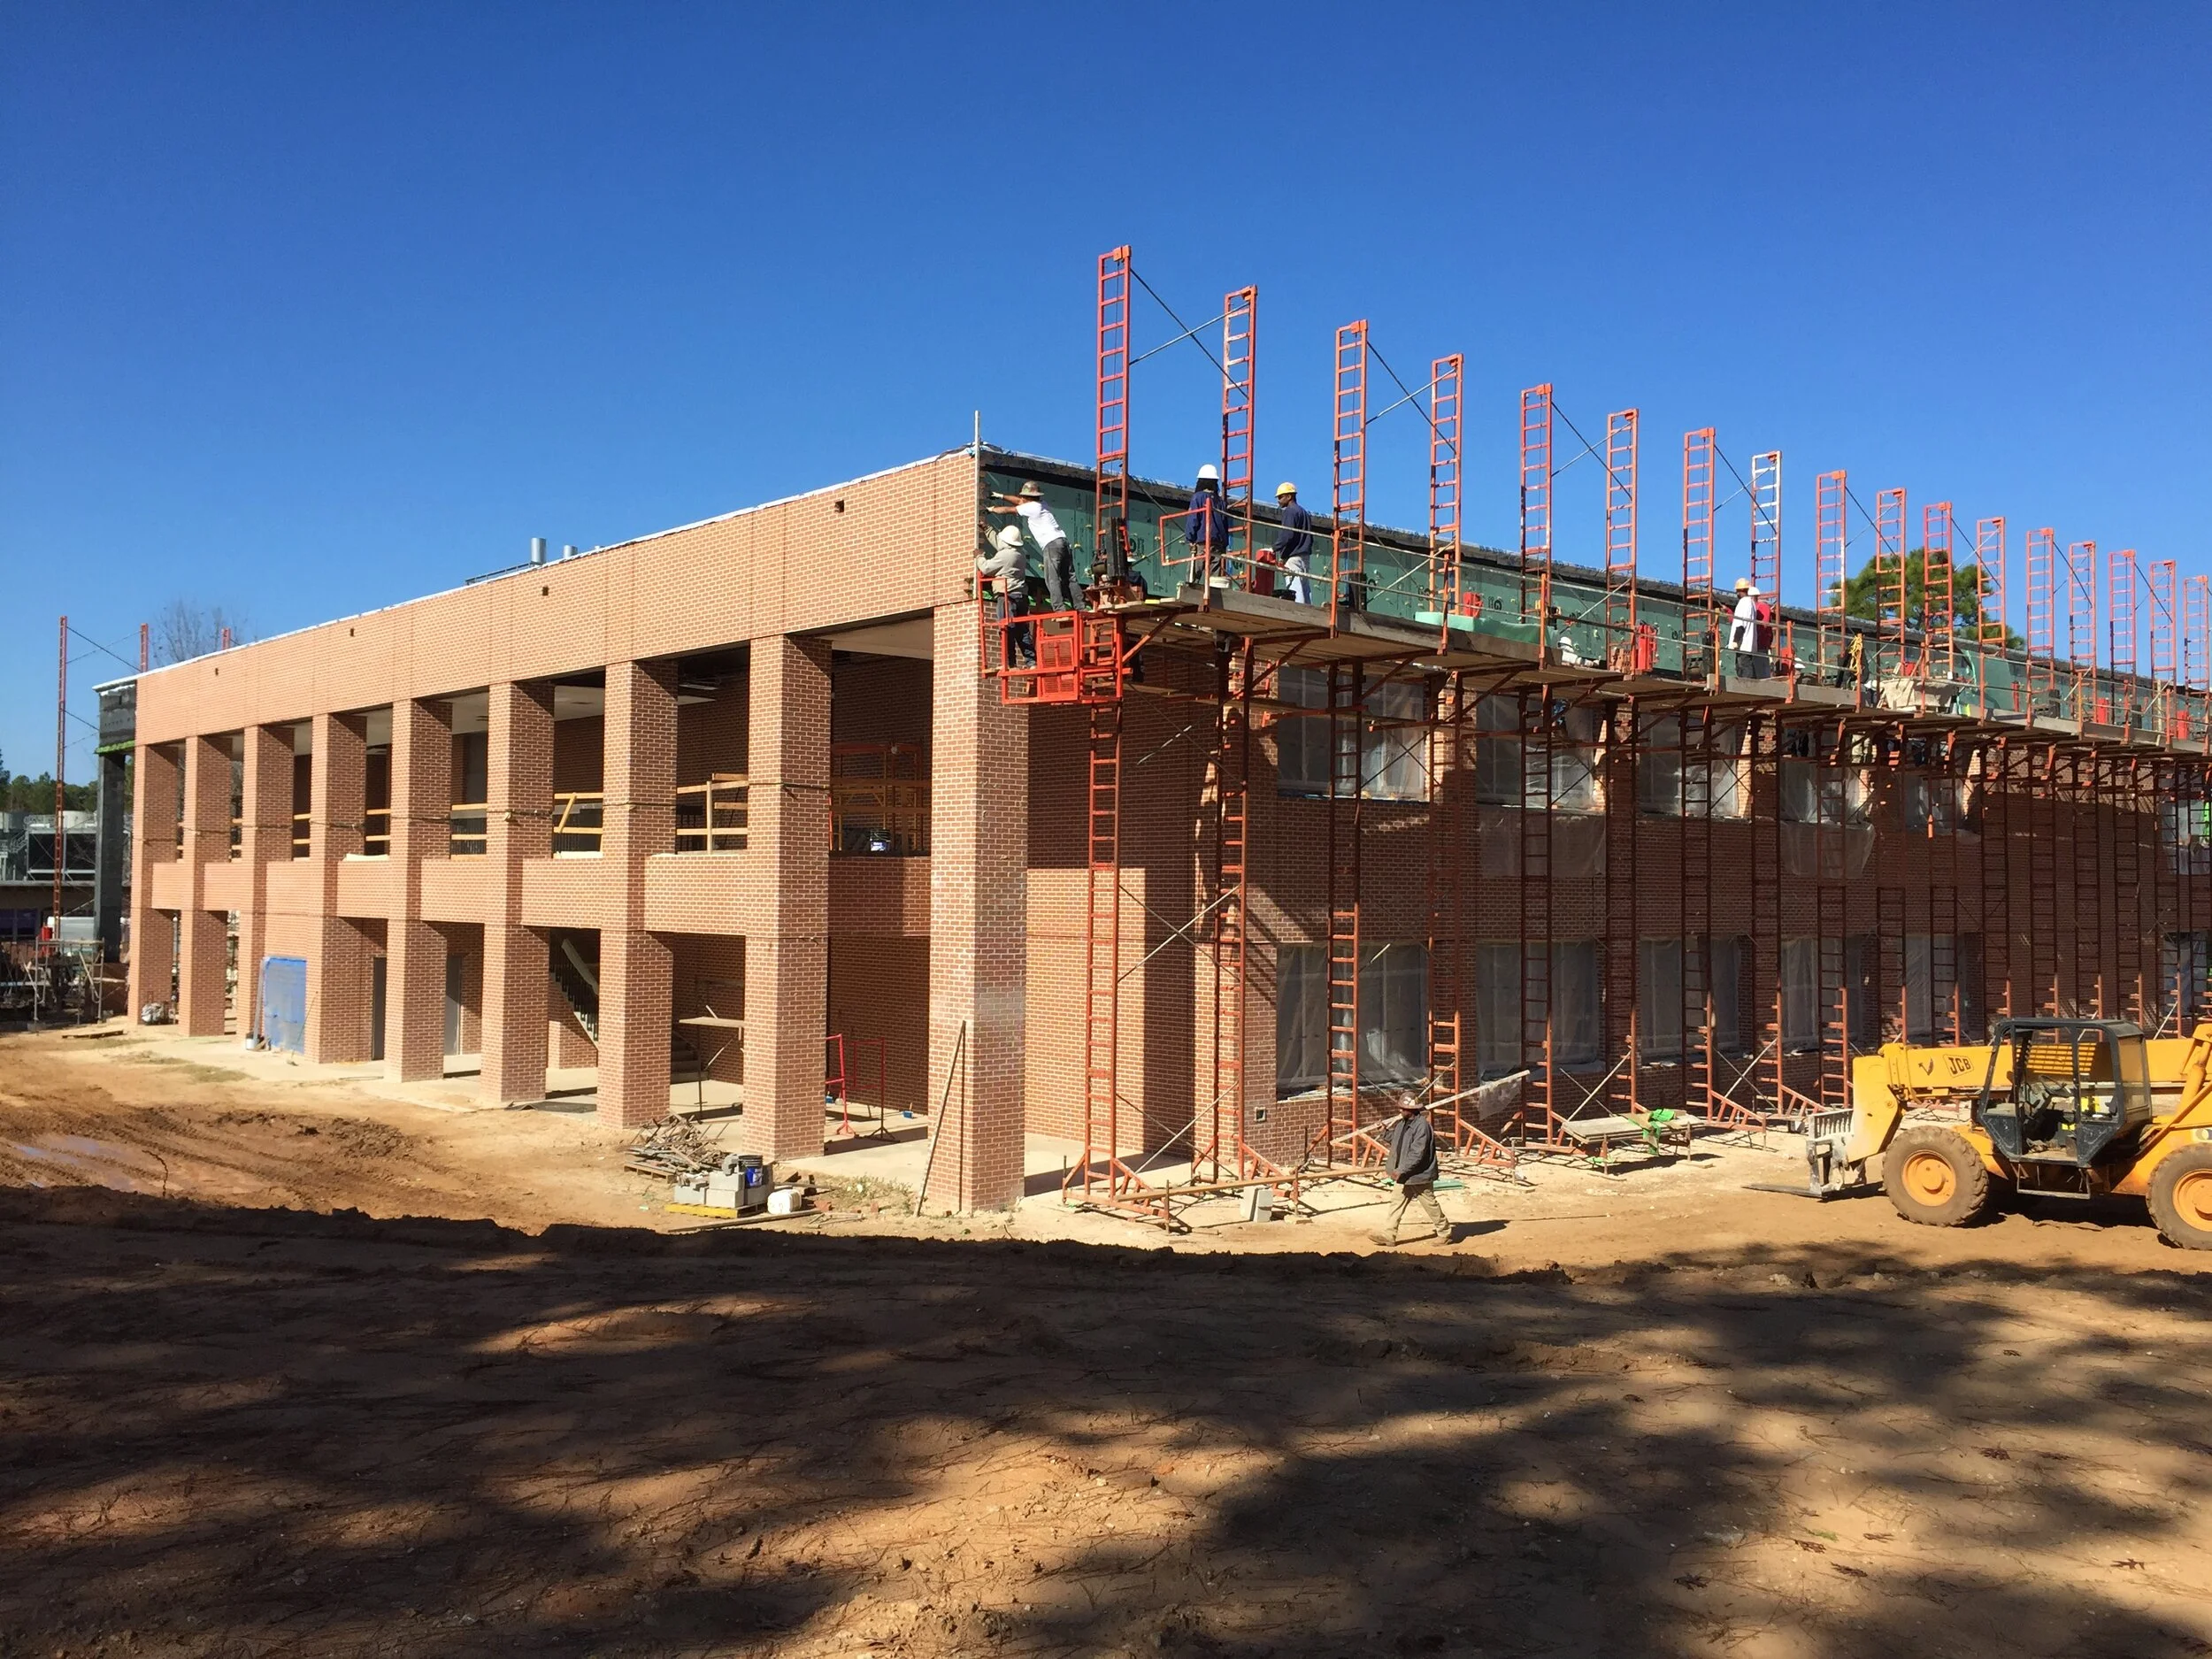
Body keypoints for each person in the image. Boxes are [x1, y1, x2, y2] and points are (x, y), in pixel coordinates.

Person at [1371, 1098, 1453, 1248]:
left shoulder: (1422, 1127)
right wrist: (1384, 1131)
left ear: (1411, 1110)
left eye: (1403, 1109)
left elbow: (1417, 1154)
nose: (1400, 1111)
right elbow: (1396, 1140)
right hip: (1405, 1174)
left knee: (1429, 1204)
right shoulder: (1403, 1124)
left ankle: (1445, 1232)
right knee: (1396, 1203)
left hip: (1419, 1175)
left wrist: (1401, 1170)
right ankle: (1389, 1235)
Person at [987, 481, 1078, 612]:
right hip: (1062, 541)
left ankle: (1059, 609)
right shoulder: (1041, 504)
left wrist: (991, 509)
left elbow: (1008, 510)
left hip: (1051, 544)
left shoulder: (1032, 507)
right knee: (1069, 577)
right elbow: (1019, 502)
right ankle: (1079, 606)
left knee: (1052, 578)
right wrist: (1000, 496)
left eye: (1024, 496)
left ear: (1028, 497)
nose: (1021, 498)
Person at [977, 524, 1033, 668]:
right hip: (1021, 595)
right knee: (1022, 630)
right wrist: (988, 529)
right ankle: (1031, 661)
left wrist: (979, 557)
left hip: (1007, 595)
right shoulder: (1019, 553)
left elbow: (986, 568)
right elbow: (1001, 545)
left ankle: (1009, 663)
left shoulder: (1005, 555)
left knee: (1006, 629)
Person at [1187, 464, 1231, 586]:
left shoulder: (1198, 498)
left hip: (1202, 542)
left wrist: (1190, 538)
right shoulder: (1221, 502)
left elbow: (1193, 519)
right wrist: (1224, 543)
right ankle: (1213, 598)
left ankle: (1190, 593)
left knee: (1194, 572)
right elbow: (1225, 523)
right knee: (1214, 580)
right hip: (1218, 544)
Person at [1272, 480, 1314, 604]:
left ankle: (1299, 611)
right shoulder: (1304, 513)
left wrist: (1274, 549)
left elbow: (1287, 535)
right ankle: (1309, 611)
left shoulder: (1290, 512)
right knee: (1305, 587)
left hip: (1293, 557)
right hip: (1304, 556)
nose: (1278, 500)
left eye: (1280, 497)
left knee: (1295, 586)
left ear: (1289, 496)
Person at [1729, 578, 1766, 678]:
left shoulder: (1744, 603)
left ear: (1740, 591)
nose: (1736, 593)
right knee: (1744, 665)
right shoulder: (1751, 603)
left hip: (1743, 643)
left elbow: (1741, 623)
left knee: (1743, 666)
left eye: (1737, 591)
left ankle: (1748, 686)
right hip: (1747, 642)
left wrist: (1736, 640)